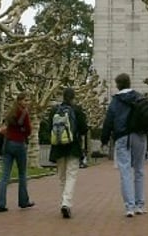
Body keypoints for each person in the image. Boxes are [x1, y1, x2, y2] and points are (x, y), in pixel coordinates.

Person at [100, 72, 147, 217]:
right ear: (129, 83)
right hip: (139, 136)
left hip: (122, 137)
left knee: (125, 171)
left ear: (118, 85)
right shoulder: (140, 97)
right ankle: (140, 205)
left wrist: (104, 139)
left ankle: (129, 207)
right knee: (139, 170)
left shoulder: (115, 101)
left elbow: (108, 122)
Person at [48, 87, 88, 219]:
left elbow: (50, 128)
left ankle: (63, 201)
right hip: (73, 147)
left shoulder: (54, 110)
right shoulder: (77, 110)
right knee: (71, 175)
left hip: (58, 147)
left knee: (62, 177)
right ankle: (66, 203)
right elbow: (83, 129)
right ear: (73, 97)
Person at [0, 92, 35, 213]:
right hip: (19, 144)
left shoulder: (10, 112)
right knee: (22, 174)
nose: (27, 103)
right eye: (25, 100)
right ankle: (23, 201)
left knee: (5, 175)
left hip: (7, 144)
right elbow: (28, 130)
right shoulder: (24, 113)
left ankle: (0, 203)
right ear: (20, 101)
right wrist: (23, 131)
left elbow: (7, 127)